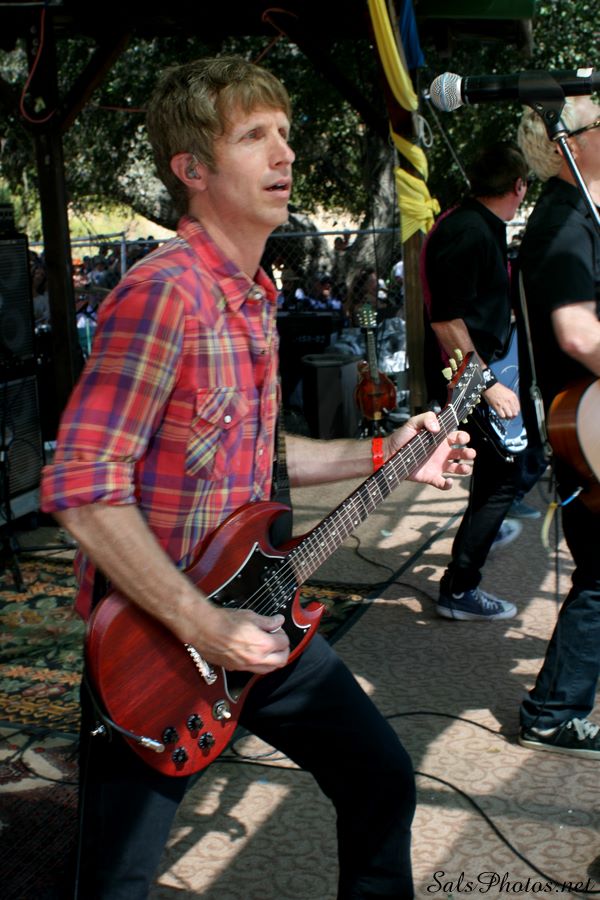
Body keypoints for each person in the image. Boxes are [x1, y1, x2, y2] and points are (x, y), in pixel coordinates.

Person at [40, 56, 475, 898]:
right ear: (192, 170)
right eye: (253, 136)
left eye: (285, 133)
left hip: (257, 608)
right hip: (157, 644)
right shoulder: (164, 295)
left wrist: (390, 455)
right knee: (116, 883)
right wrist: (200, 623)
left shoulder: (255, 295)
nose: (285, 154)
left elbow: (262, 457)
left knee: (381, 780)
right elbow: (81, 484)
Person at [516, 95, 600, 758]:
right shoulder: (566, 218)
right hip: (585, 419)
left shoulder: (575, 213)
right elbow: (576, 331)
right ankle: (552, 712)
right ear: (567, 142)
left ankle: (556, 705)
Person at [422, 140, 531, 621]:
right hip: (468, 377)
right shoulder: (469, 231)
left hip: (480, 369)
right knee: (502, 478)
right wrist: (487, 383)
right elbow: (446, 321)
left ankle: (484, 530)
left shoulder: (477, 224)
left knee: (498, 472)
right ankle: (460, 588)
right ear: (519, 186)